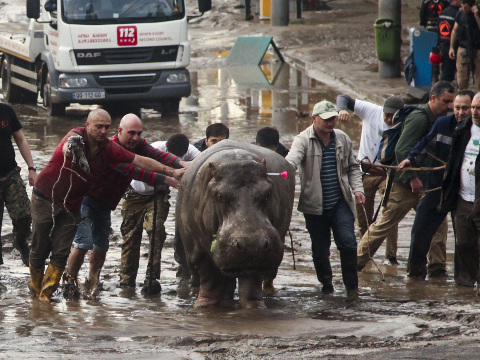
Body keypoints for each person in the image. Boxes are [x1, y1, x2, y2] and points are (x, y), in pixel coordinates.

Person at [28, 109, 183, 302]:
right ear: (88, 125)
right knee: (42, 247)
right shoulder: (77, 136)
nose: (102, 131)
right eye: (98, 126)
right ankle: (37, 291)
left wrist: (173, 169)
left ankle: (48, 297)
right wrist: (69, 148)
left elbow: (141, 160)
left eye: (105, 127)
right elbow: (69, 143)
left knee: (65, 251)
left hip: (77, 204)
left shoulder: (109, 149)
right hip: (49, 197)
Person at [357, 81, 455, 271]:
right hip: (405, 184)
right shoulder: (419, 118)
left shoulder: (441, 121)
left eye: (451, 102)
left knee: (438, 226)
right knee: (384, 224)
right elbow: (402, 149)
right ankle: (354, 265)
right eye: (446, 101)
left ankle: (437, 269)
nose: (449, 106)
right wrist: (412, 178)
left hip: (429, 184)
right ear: (433, 98)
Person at [286, 100, 365, 301]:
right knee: (320, 251)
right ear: (314, 119)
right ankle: (327, 285)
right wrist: (283, 172)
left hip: (340, 201)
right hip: (314, 206)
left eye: (333, 119)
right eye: (326, 119)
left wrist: (357, 189)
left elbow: (353, 167)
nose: (331, 124)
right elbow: (291, 162)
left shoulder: (342, 139)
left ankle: (352, 288)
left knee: (348, 243)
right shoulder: (303, 140)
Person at [399, 89, 475, 279]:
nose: (460, 112)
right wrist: (411, 160)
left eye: (465, 108)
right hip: (438, 188)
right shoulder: (442, 124)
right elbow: (425, 144)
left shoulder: (475, 131)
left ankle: (464, 282)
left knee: (464, 240)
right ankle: (415, 275)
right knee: (420, 230)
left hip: (464, 192)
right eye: (457, 108)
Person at [120, 134, 200, 292]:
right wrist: (168, 175)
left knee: (156, 232)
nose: (175, 159)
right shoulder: (154, 149)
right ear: (166, 148)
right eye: (172, 156)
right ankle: (126, 281)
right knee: (130, 237)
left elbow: (202, 163)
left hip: (158, 195)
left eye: (179, 157)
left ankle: (152, 278)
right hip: (135, 194)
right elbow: (140, 173)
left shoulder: (192, 151)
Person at [337, 95, 403, 266]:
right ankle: (365, 253)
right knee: (362, 215)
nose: (389, 120)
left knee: (390, 211)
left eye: (393, 117)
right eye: (386, 115)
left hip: (387, 173)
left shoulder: (405, 122)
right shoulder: (370, 110)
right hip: (365, 170)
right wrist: (342, 109)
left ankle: (391, 256)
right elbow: (343, 97)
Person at [440, 92, 480, 288]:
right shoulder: (464, 129)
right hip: (463, 197)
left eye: (477, 108)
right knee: (463, 243)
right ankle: (475, 279)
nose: (474, 112)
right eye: (473, 107)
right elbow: (454, 161)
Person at [0, 103, 37, 268]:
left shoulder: (6, 110)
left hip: (10, 174)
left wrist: (31, 168)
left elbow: (20, 138)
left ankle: (20, 241)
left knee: (25, 215)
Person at [448, 0, 480, 92]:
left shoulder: (477, 13)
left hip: (477, 48)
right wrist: (451, 47)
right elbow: (454, 31)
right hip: (463, 48)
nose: (464, 9)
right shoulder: (460, 14)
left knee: (478, 77)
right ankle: (462, 95)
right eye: (463, 7)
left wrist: (477, 16)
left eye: (466, 8)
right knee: (462, 77)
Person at [437, 0, 461, 82]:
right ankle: (445, 90)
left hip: (443, 44)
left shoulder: (443, 12)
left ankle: (443, 87)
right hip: (453, 46)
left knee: (445, 71)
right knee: (450, 72)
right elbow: (458, 31)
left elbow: (438, 29)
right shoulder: (457, 13)